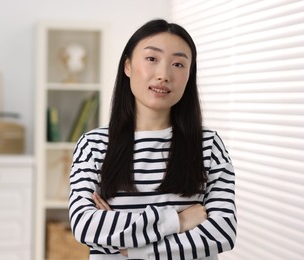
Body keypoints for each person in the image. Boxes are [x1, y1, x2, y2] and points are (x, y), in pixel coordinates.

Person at [68, 19, 236, 260]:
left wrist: (135, 248)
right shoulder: (93, 145)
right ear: (127, 65)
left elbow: (222, 232)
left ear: (189, 75)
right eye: (152, 59)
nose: (163, 75)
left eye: (178, 64)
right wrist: (179, 220)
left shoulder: (208, 145)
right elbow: (86, 226)